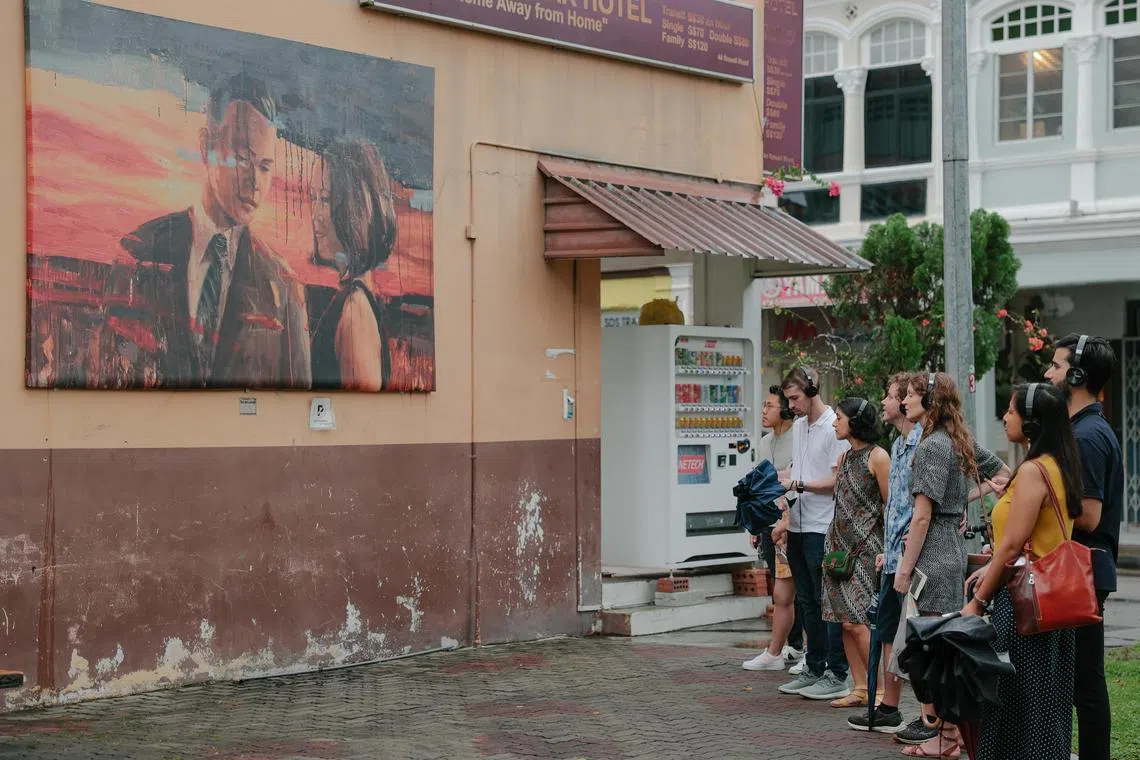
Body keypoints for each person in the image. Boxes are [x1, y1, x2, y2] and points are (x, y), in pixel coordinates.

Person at [105, 74, 311, 389]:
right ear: (206, 147)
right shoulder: (138, 252)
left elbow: (298, 396)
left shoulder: (282, 287)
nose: (254, 182)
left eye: (265, 166)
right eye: (243, 159)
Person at [963, 383, 1085, 760]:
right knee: (1044, 708)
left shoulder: (1033, 470)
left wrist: (979, 601)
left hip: (1022, 609)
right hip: (1050, 606)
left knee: (1017, 707)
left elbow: (1014, 546)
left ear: (1031, 422)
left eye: (1011, 412)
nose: (1005, 417)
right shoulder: (1056, 464)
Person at [896, 372, 1009, 757]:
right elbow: (1003, 475)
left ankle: (945, 738)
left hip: (933, 556)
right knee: (947, 650)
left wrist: (904, 569)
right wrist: (964, 503)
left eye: (910, 395)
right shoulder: (957, 439)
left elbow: (922, 516)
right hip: (954, 551)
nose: (904, 401)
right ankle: (948, 736)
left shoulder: (932, 447)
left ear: (929, 402)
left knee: (936, 652)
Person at [1044, 334, 1123, 760]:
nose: (1048, 373)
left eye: (1055, 366)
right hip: (1080, 571)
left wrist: (1039, 499)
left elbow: (1088, 517)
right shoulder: (1079, 428)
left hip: (1083, 572)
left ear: (1075, 375)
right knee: (1076, 680)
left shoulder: (1088, 436)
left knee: (1086, 684)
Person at [847, 372, 920, 734]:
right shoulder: (899, 442)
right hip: (894, 557)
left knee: (913, 635)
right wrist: (889, 551)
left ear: (907, 402)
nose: (886, 403)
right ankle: (889, 706)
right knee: (889, 630)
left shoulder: (923, 443)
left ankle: (928, 715)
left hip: (914, 560)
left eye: (891, 396)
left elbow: (922, 508)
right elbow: (898, 508)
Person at [775, 367, 852, 701]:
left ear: (812, 390)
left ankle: (837, 672)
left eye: (795, 398)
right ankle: (814, 665)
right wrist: (784, 513)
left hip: (823, 525)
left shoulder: (834, 427)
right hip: (799, 524)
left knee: (827, 601)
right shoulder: (799, 428)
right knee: (806, 600)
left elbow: (839, 481)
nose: (791, 405)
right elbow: (797, 472)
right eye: (788, 399)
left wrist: (799, 484)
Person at [308, 139, 399, 391]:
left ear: (354, 208)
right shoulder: (353, 300)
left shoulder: (354, 312)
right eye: (313, 197)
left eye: (325, 199)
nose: (314, 213)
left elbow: (361, 416)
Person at [821, 397, 889, 709]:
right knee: (842, 619)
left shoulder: (878, 457)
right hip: (837, 550)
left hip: (864, 551)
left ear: (855, 421)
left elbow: (889, 505)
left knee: (857, 620)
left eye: (839, 417)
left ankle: (880, 689)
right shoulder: (846, 456)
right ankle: (860, 687)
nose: (835, 423)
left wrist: (889, 548)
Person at [743, 386, 804, 672]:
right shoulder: (766, 442)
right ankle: (785, 648)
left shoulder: (799, 438)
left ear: (785, 409)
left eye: (769, 406)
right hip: (769, 523)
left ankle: (801, 648)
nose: (764, 411)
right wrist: (755, 524)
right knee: (780, 588)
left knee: (800, 589)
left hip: (793, 523)